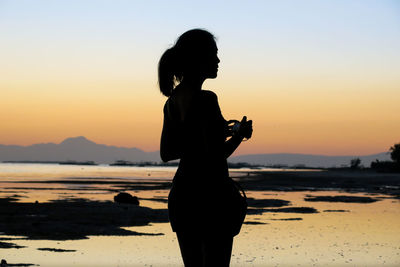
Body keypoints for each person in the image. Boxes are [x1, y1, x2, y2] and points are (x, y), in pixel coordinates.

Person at [159, 29, 253, 267]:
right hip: (211, 199)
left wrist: (214, 132)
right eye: (214, 54)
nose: (218, 61)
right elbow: (215, 155)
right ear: (198, 59)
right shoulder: (206, 99)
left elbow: (167, 152)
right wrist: (238, 136)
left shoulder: (172, 101)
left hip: (183, 198)